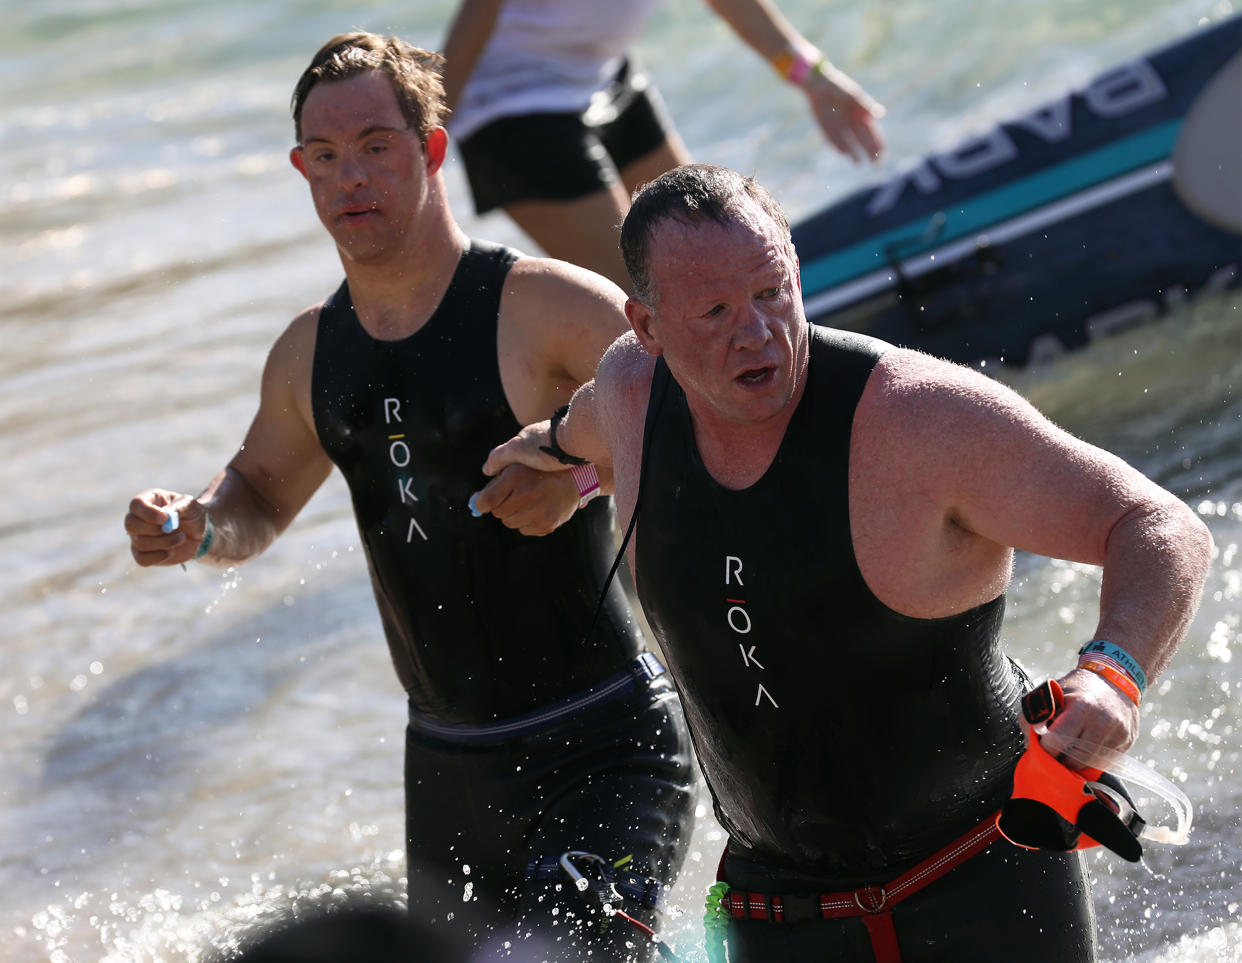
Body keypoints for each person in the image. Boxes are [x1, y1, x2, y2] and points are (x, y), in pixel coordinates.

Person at [480, 164, 1215, 961]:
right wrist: (562, 470)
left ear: (797, 272)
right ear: (649, 327)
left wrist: (1112, 675)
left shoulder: (920, 421)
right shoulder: (630, 385)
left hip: (983, 878)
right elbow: (584, 431)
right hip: (778, 908)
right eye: (716, 311)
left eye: (772, 292)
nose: (757, 332)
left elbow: (1157, 523)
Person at [123, 33, 696, 961]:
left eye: (376, 146)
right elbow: (259, 493)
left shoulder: (538, 305)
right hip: (449, 772)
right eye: (325, 156)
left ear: (431, 150)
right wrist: (196, 528)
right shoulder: (311, 353)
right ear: (302, 171)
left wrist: (581, 480)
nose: (350, 176)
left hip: (605, 742)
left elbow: (697, 425)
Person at [439, 0, 886, 290]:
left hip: (607, 80)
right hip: (510, 108)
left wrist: (813, 77)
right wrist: (426, 139)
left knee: (710, 251)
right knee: (644, 303)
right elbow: (479, 12)